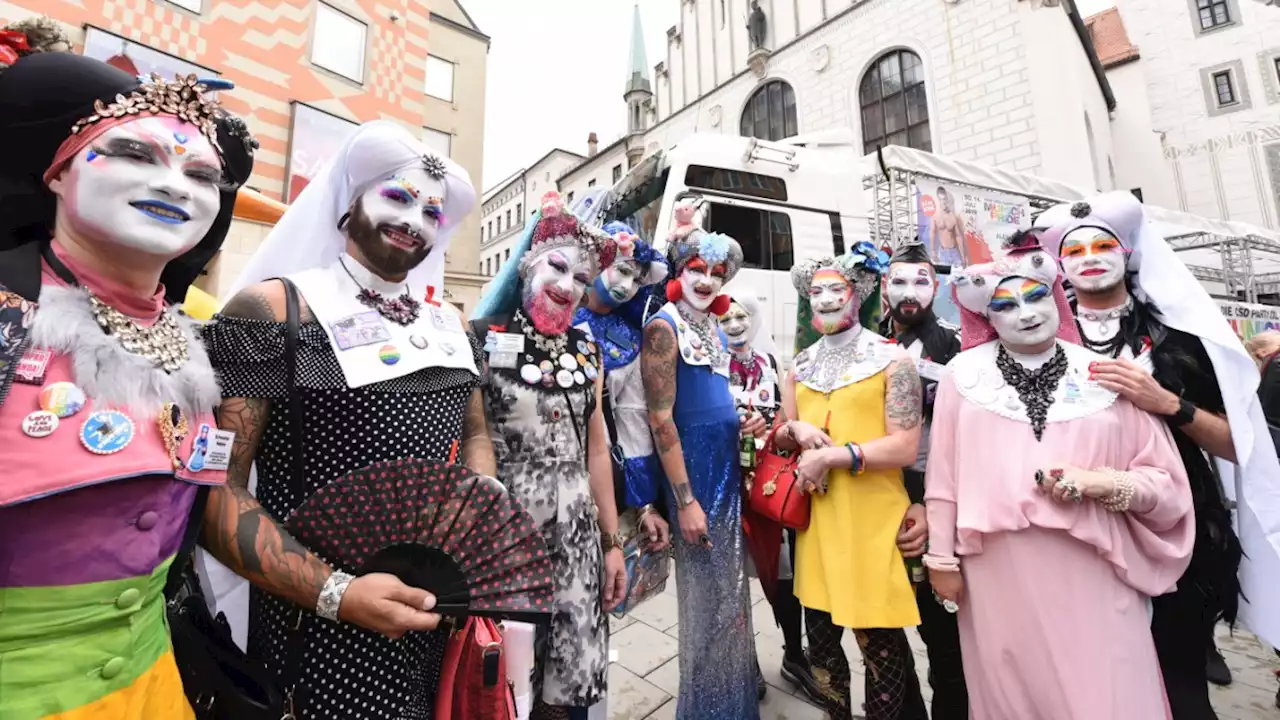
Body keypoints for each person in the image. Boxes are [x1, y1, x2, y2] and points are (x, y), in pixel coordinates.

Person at [0, 23, 257, 718]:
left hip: (156, 689)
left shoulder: (194, 344)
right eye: (133, 154)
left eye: (201, 175)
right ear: (56, 172)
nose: (173, 185)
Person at [198, 120, 484, 719]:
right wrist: (341, 595)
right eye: (398, 197)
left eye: (432, 213)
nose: (414, 221)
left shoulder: (451, 327)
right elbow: (215, 489)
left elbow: (475, 432)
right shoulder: (274, 311)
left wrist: (480, 505)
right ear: (348, 203)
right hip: (313, 621)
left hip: (431, 608)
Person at [926, 230, 1195, 718]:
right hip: (996, 576)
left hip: (1094, 569)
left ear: (1055, 297)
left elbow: (1167, 486)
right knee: (1012, 696)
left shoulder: (1106, 375)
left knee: (1107, 693)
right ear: (985, 315)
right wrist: (941, 559)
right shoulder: (961, 377)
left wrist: (1103, 484)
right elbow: (943, 479)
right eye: (1007, 305)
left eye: (1035, 297)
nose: (1026, 313)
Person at [1037, 192, 1280, 719]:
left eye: (1103, 245)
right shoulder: (1040, 339)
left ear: (1127, 251)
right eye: (1075, 251)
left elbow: (1239, 447)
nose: (1090, 257)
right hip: (1075, 530)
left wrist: (1168, 403)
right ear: (1059, 265)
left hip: (1176, 527)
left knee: (1182, 684)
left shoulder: (1184, 340)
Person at [470, 191, 624, 720]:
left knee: (569, 687)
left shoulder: (589, 350)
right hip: (508, 536)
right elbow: (474, 439)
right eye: (558, 268)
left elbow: (597, 449)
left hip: (579, 540)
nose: (568, 286)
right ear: (529, 264)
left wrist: (611, 543)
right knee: (509, 684)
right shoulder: (482, 340)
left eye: (582, 279)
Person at [772, 243, 928, 720]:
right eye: (815, 291)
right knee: (821, 649)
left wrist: (836, 458)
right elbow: (781, 435)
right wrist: (795, 430)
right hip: (816, 525)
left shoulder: (893, 360)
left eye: (835, 289)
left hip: (872, 523)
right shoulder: (799, 364)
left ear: (856, 294)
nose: (824, 299)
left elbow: (904, 447)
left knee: (881, 651)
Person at [642, 227, 764, 719]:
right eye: (697, 270)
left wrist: (745, 419)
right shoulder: (664, 328)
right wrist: (685, 500)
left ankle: (733, 700)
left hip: (726, 473)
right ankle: (708, 710)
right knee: (706, 603)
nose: (708, 281)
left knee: (730, 594)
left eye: (717, 273)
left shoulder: (711, 327)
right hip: (695, 480)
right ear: (679, 271)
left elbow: (715, 400)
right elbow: (659, 418)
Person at [878, 241, 969, 719]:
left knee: (944, 631)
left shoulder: (958, 346)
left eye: (920, 281)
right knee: (884, 624)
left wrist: (936, 504)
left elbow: (971, 435)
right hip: (878, 495)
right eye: (898, 281)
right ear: (883, 287)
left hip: (938, 493)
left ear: (936, 287)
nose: (909, 292)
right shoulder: (867, 342)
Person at [718, 294, 818, 701]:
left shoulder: (772, 364)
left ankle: (795, 654)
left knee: (783, 574)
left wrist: (771, 426)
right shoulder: (706, 365)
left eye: (742, 316)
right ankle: (746, 662)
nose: (735, 324)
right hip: (725, 483)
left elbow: (786, 415)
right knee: (733, 577)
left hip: (769, 484)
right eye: (725, 318)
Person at [571, 220, 672, 542]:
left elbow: (631, 423)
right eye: (622, 271)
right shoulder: (551, 315)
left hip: (599, 485)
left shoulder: (628, 339)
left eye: (636, 279)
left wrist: (643, 503)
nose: (628, 286)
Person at [929, 187, 966, 268]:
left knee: (959, 277)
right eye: (941, 199)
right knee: (943, 277)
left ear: (948, 200)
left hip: (954, 251)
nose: (943, 202)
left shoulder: (954, 216)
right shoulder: (935, 216)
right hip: (943, 252)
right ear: (938, 200)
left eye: (945, 199)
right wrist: (933, 250)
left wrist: (963, 256)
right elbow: (932, 233)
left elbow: (958, 236)